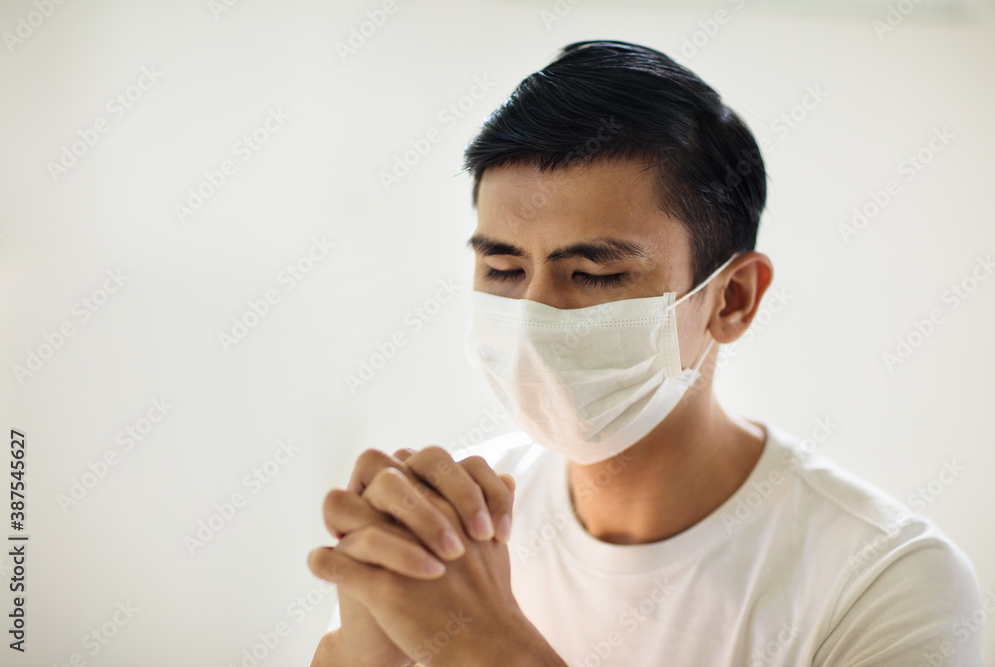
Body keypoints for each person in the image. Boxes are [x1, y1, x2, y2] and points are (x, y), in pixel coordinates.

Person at [307, 39, 986, 666]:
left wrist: (482, 642)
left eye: (596, 274)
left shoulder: (886, 582)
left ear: (733, 299)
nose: (534, 317)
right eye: (505, 270)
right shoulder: (452, 538)